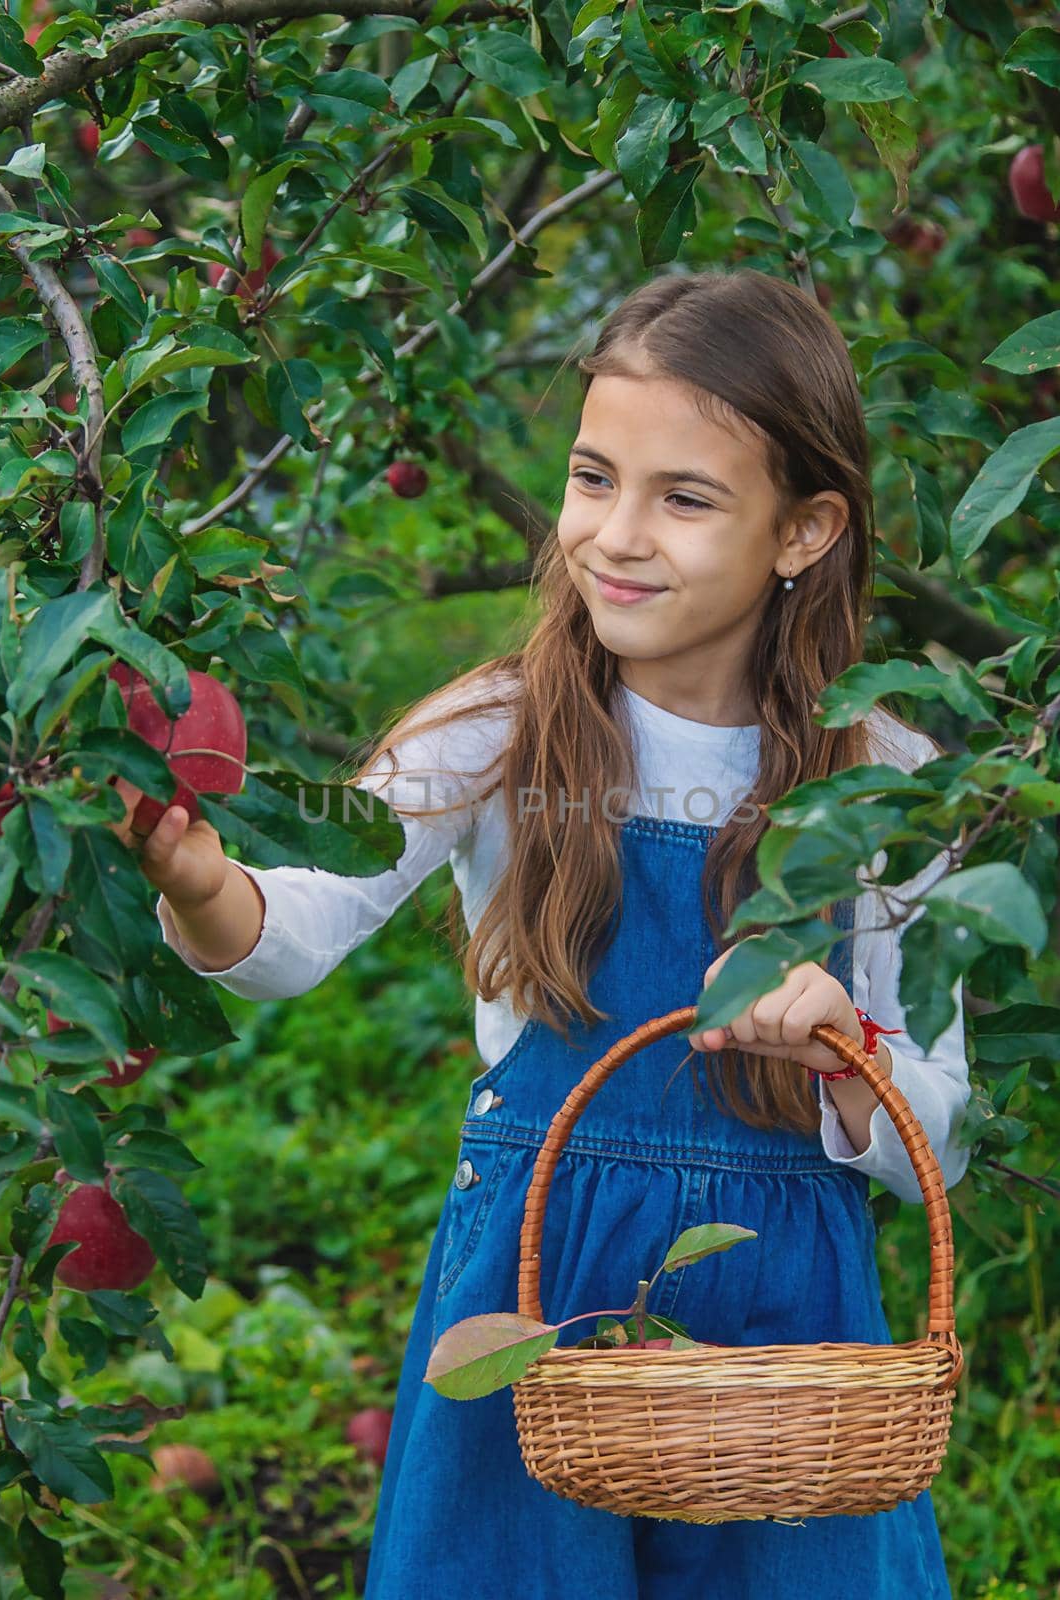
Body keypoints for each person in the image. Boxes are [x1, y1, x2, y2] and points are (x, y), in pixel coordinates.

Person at [119, 268, 970, 1599]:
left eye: (685, 497)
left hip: (783, 1327)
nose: (617, 534)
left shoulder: (884, 780)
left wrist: (840, 1045)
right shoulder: (498, 728)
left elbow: (942, 1143)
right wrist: (194, 875)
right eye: (593, 477)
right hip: (536, 1296)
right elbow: (301, 929)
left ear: (803, 531)